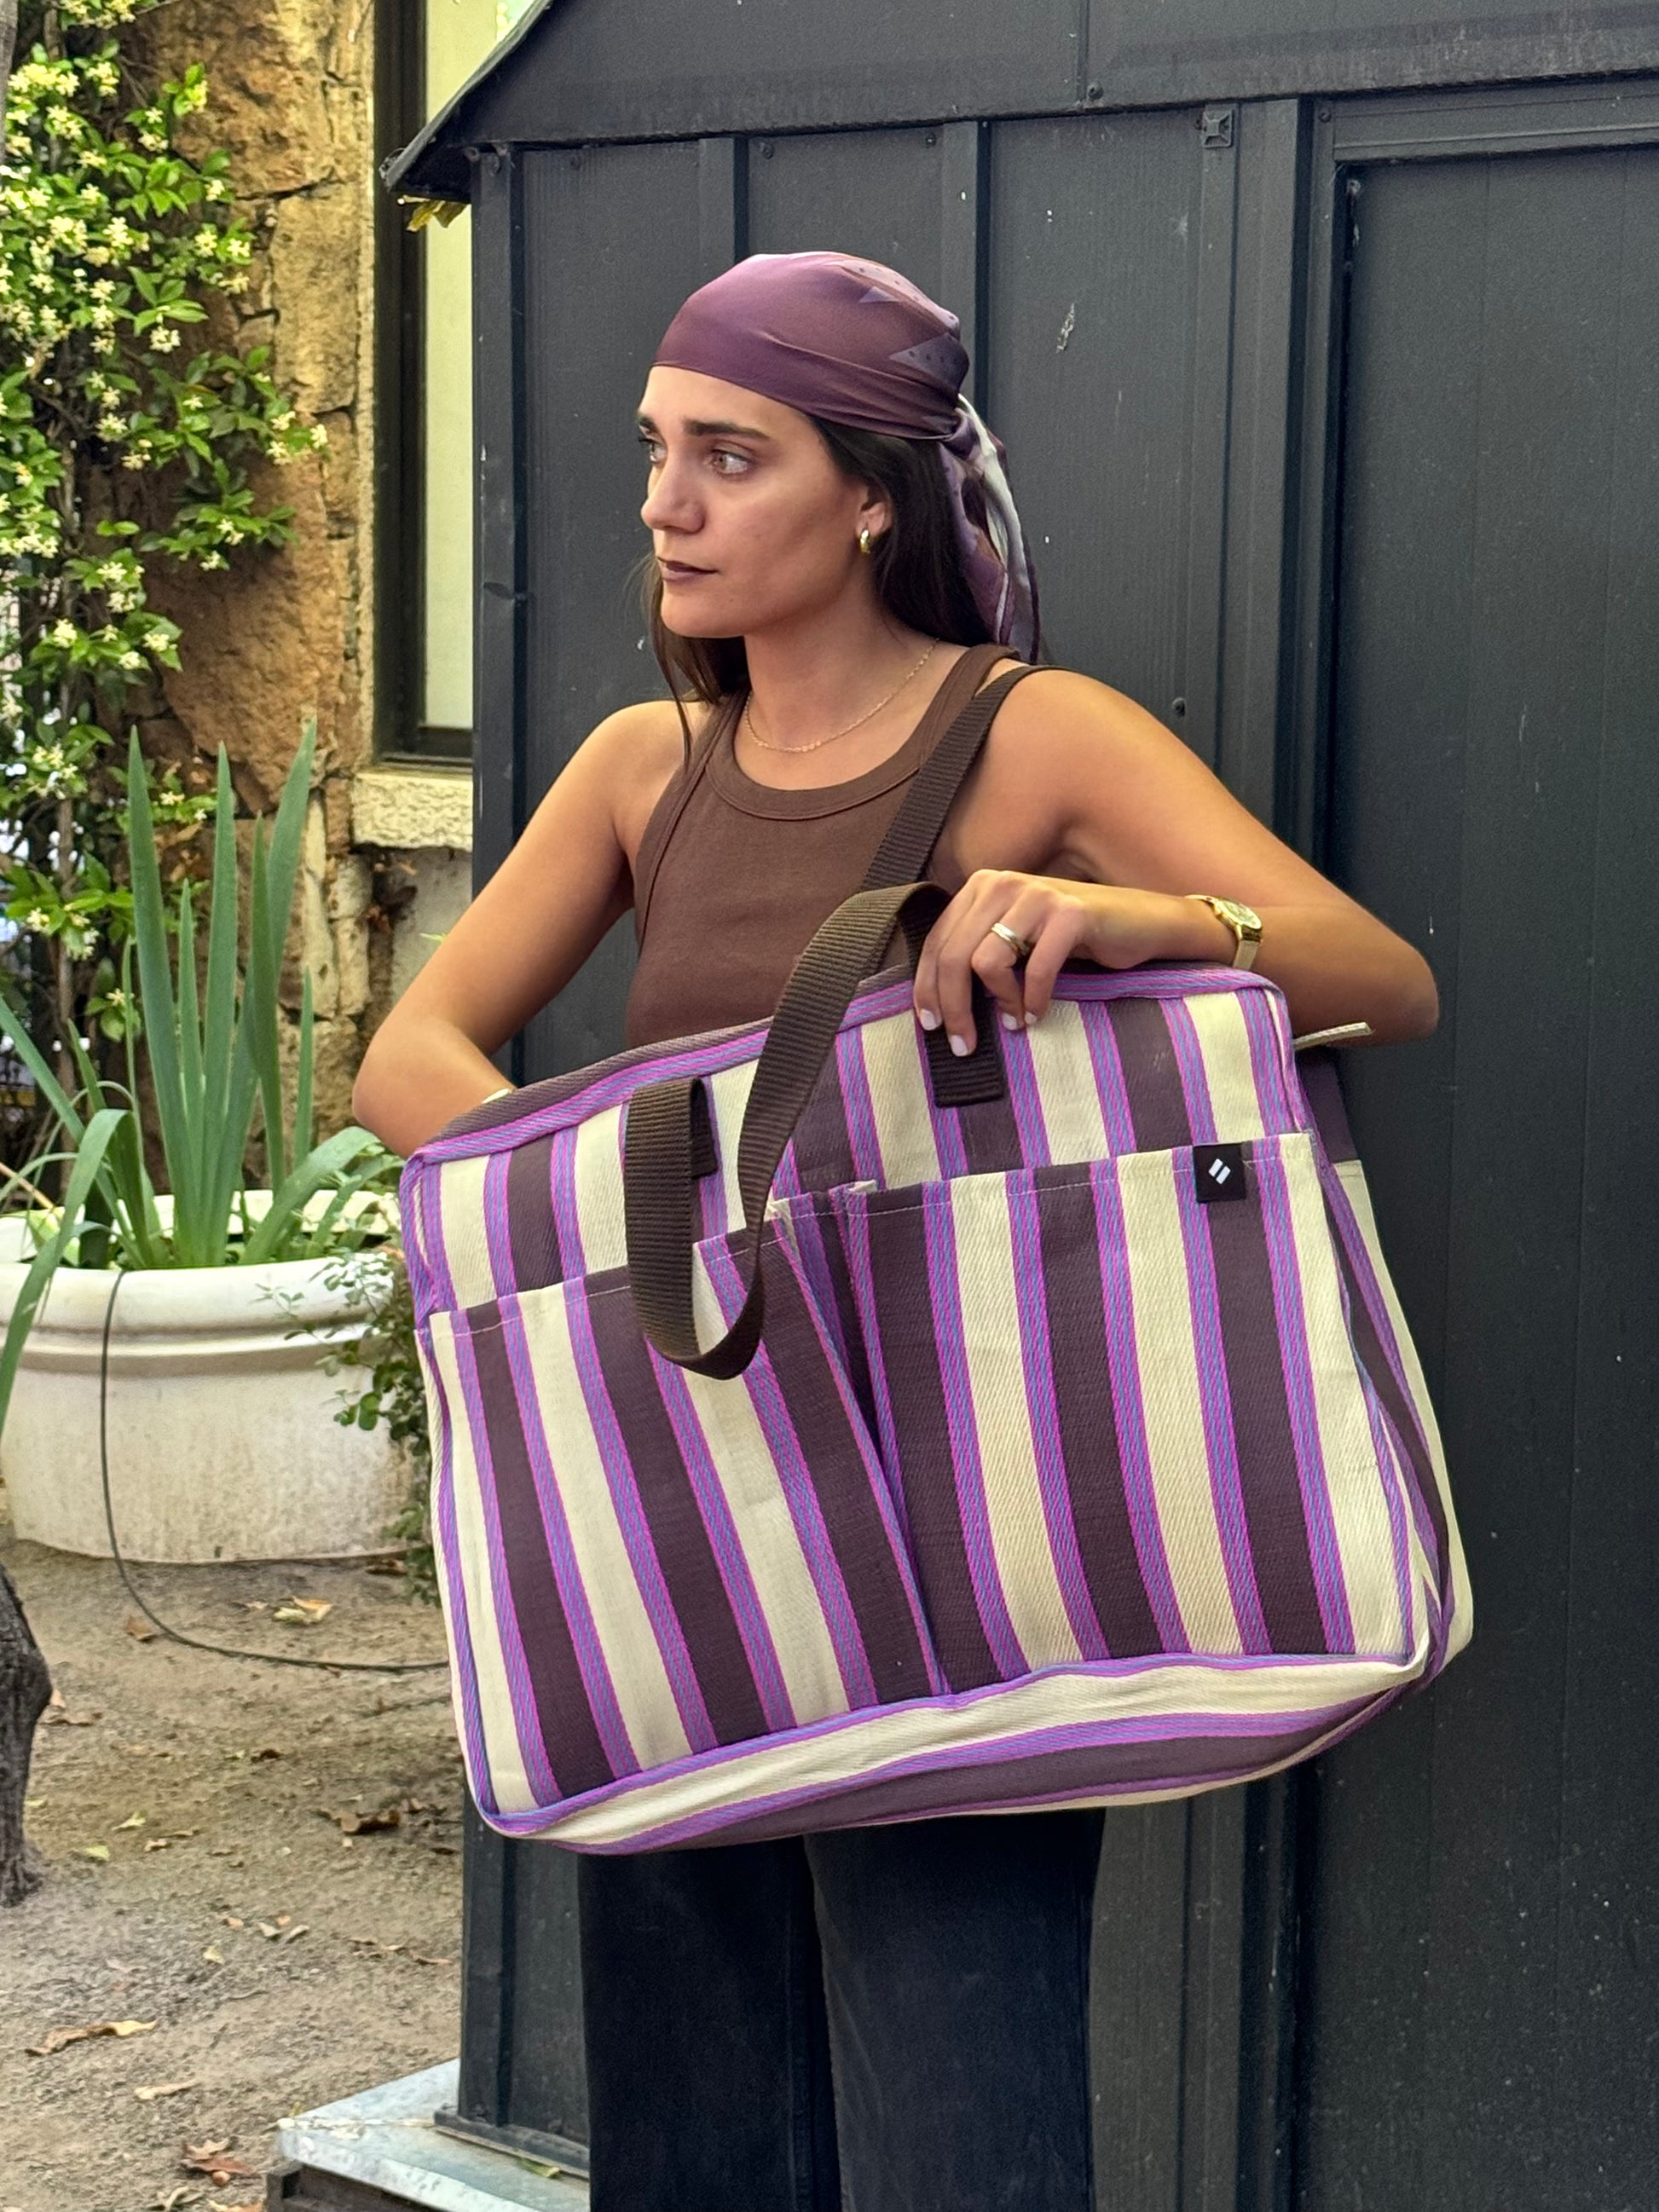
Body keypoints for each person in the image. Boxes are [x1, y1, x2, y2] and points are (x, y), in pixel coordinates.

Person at [353, 250, 1436, 2212]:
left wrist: (1137, 920)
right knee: (692, 2130)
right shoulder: (643, 767)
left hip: (960, 1525)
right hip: (686, 1501)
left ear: (869, 494)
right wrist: (638, 1197)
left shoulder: (1036, 737)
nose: (666, 504)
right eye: (657, 450)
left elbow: (1377, 977)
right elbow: (408, 1056)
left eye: (730, 455)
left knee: (960, 2118)